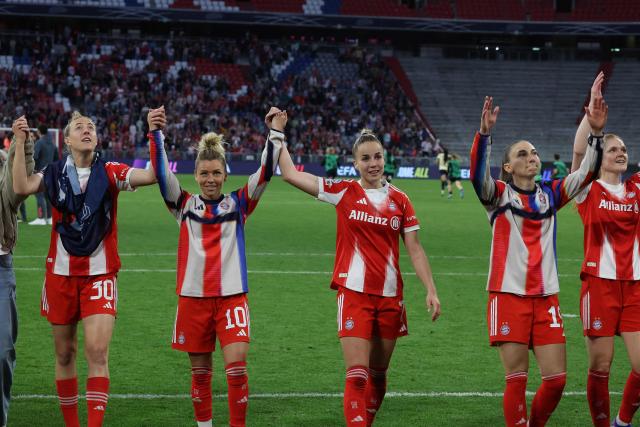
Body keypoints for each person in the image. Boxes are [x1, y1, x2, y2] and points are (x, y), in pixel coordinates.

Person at [274, 107, 441, 426]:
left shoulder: (401, 200)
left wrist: (431, 290)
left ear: (384, 158)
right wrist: (278, 134)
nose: (373, 163)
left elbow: (415, 249)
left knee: (378, 375)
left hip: (391, 299)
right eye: (366, 158)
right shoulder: (344, 192)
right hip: (354, 296)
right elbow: (291, 175)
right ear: (356, 163)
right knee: (357, 376)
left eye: (377, 156)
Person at [12, 111, 157, 427]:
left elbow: (152, 176)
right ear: (66, 140)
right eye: (79, 127)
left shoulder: (110, 171)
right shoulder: (52, 173)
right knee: (65, 354)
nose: (87, 129)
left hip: (100, 274)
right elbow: (21, 186)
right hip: (61, 275)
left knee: (96, 351)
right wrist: (20, 141)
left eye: (92, 126)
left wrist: (154, 134)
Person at [470, 95, 605, 427]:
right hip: (508, 295)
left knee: (556, 380)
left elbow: (586, 174)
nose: (531, 157)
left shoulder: (550, 194)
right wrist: (484, 135)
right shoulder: (497, 195)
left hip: (546, 298)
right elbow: (476, 176)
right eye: (522, 154)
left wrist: (596, 134)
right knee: (517, 378)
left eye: (533, 152)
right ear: (507, 166)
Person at [148, 106, 284, 427]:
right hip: (193, 300)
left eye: (216, 173)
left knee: (237, 369)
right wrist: (156, 134)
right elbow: (161, 171)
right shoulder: (183, 205)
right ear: (195, 176)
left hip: (232, 298)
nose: (210, 179)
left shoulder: (239, 203)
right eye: (204, 174)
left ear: (225, 175)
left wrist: (275, 132)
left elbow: (265, 172)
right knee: (200, 373)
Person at [572, 72, 640, 427]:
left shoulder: (637, 189)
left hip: (635, 287)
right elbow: (580, 151)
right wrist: (592, 118)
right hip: (598, 284)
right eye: (613, 149)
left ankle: (622, 422)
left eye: (624, 149)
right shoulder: (587, 190)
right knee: (601, 365)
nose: (620, 153)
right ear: (600, 160)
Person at [0, 116, 34, 427]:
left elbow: (16, 195)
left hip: (0, 267)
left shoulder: (3, 162)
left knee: (2, 352)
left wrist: (22, 145)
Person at [30, 124, 59, 225]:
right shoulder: (52, 144)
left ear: (38, 131)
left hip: (40, 173)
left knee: (39, 195)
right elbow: (56, 159)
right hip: (50, 173)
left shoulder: (39, 143)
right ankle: (50, 218)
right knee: (48, 196)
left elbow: (35, 156)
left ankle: (41, 218)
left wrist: (33, 169)